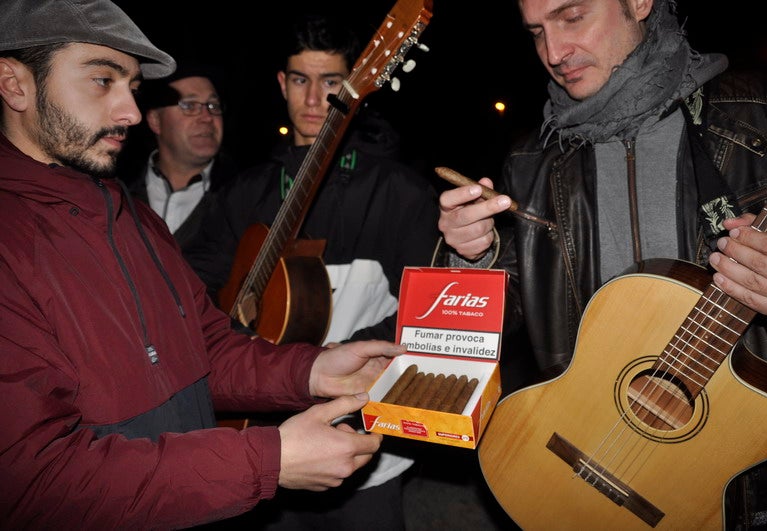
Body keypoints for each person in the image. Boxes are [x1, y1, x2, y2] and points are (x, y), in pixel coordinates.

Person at [0, 1, 407, 529]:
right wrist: (267, 460)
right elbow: (34, 481)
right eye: (103, 80)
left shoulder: (135, 219)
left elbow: (204, 351)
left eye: (132, 87)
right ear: (14, 84)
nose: (128, 112)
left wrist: (310, 371)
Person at [436, 0, 767, 528]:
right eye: (537, 32)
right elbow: (497, 323)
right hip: (578, 457)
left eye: (572, 16)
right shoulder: (531, 161)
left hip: (750, 492)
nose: (554, 53)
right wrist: (471, 257)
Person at [183, 13, 440, 531]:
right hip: (260, 439)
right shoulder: (244, 193)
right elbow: (189, 290)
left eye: (330, 82)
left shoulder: (399, 193)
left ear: (356, 86)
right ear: (282, 83)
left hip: (361, 449)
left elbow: (429, 313)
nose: (313, 99)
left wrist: (325, 370)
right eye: (300, 80)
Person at [118, 62, 239, 249]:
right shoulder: (115, 193)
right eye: (189, 106)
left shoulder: (244, 196)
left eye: (213, 105)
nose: (207, 117)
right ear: (155, 121)